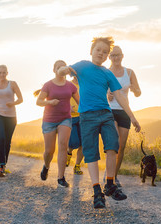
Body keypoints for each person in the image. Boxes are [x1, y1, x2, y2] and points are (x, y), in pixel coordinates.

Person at [58, 36, 141, 209]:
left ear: (107, 56)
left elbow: (119, 95)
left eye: (105, 52)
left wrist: (132, 116)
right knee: (91, 153)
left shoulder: (107, 73)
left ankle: (110, 184)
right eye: (98, 50)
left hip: (106, 114)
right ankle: (97, 191)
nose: (101, 54)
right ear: (91, 51)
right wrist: (63, 70)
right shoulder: (82, 66)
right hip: (87, 116)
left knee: (113, 145)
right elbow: (64, 72)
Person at [37, 60, 79, 188]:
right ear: (54, 70)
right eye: (58, 67)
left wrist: (74, 109)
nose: (61, 69)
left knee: (63, 145)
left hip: (65, 119)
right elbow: (38, 101)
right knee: (49, 151)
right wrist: (49, 102)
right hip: (49, 120)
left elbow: (80, 102)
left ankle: (61, 177)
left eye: (63, 67)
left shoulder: (71, 86)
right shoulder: (48, 85)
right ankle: (47, 166)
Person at [107, 46, 141, 187]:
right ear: (109, 57)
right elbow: (100, 90)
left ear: (122, 56)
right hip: (109, 110)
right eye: (113, 55)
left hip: (125, 111)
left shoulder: (129, 72)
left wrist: (134, 90)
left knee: (122, 146)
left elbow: (138, 92)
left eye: (118, 55)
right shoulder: (106, 72)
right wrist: (106, 94)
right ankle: (109, 176)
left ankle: (114, 176)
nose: (116, 57)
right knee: (113, 144)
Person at [66, 77, 84, 175]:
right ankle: (68, 153)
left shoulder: (84, 84)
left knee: (83, 144)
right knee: (74, 142)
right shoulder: (67, 84)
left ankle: (77, 166)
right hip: (70, 117)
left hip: (82, 116)